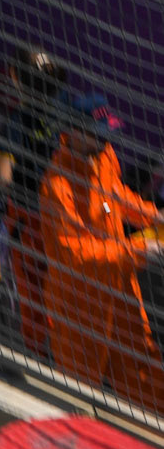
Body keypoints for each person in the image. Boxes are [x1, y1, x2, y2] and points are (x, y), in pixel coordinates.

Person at [39, 92, 164, 415]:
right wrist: (137, 250)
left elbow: (117, 196)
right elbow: (76, 253)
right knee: (80, 386)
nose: (105, 140)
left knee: (144, 370)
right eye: (98, 133)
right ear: (74, 132)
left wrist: (152, 216)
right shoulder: (57, 186)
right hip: (80, 302)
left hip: (120, 288)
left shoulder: (104, 155)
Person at [3, 49, 66, 360]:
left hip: (27, 218)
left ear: (18, 83)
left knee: (31, 288)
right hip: (60, 216)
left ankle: (38, 354)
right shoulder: (63, 115)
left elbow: (3, 175)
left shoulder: (17, 122)